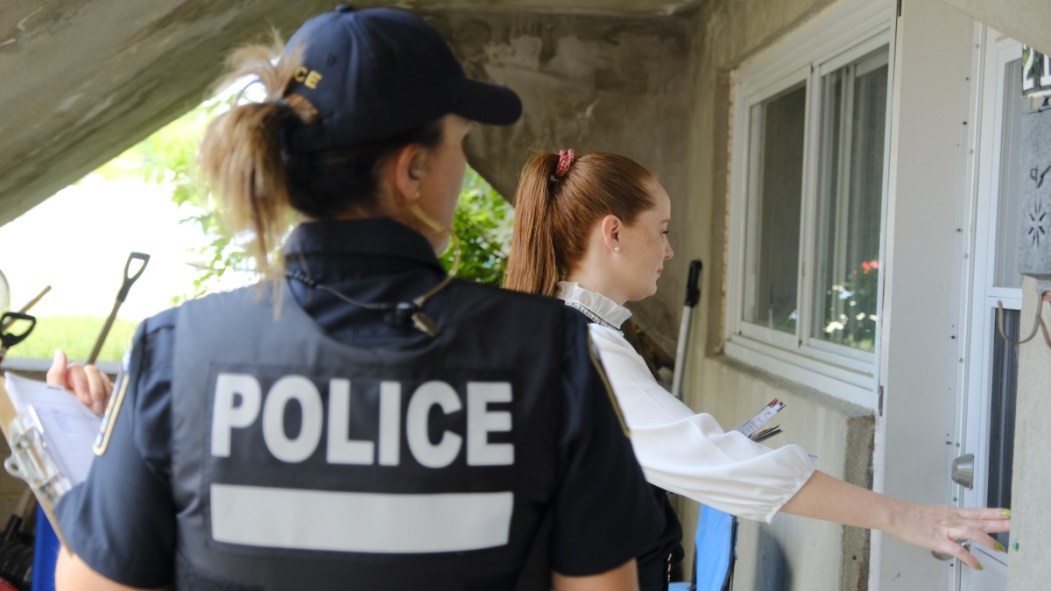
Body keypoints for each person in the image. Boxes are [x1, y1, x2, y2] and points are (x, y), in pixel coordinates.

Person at [48, 10, 665, 591]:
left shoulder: (176, 357)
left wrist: (116, 458)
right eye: (460, 143)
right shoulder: (549, 353)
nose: (463, 163)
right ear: (413, 170)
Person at [504, 149, 1012, 590]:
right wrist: (907, 517)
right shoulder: (586, 347)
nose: (669, 249)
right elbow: (725, 467)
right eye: (661, 231)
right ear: (613, 232)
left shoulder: (563, 329)